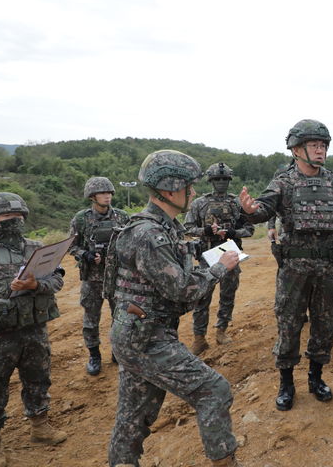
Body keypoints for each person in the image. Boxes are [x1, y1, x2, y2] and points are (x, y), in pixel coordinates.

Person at [107, 150, 242, 467]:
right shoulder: (150, 235)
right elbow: (185, 292)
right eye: (188, 186)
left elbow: (169, 271)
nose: (193, 192)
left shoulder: (157, 227)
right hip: (148, 339)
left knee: (133, 417)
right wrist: (219, 268)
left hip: (134, 334)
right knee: (214, 390)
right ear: (169, 190)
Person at [239, 119, 333, 411]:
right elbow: (262, 208)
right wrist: (250, 211)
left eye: (323, 145)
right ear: (296, 150)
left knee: (326, 321)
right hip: (294, 269)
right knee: (289, 322)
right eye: (314, 145)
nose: (320, 150)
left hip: (328, 268)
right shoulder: (283, 182)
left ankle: (316, 377)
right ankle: (286, 382)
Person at [0, 192, 67, 467]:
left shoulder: (37, 248)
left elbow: (56, 281)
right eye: (7, 217)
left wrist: (35, 286)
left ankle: (40, 426)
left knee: (38, 378)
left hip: (33, 328)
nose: (14, 221)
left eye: (19, 216)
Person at [184, 162, 254, 354]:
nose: (221, 183)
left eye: (224, 179)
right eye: (217, 179)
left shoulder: (236, 203)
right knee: (202, 298)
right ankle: (199, 338)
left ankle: (221, 331)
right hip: (207, 257)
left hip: (230, 254)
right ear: (211, 181)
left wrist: (232, 231)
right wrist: (206, 230)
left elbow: (249, 230)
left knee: (227, 296)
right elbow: (187, 228)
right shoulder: (199, 203)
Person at [68, 177, 129, 375]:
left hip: (116, 277)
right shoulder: (81, 219)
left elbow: (130, 243)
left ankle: (117, 351)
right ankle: (94, 355)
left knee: (119, 318)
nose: (107, 196)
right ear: (92, 196)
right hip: (92, 279)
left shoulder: (122, 217)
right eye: (103, 193)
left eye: (109, 192)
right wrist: (84, 254)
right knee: (90, 320)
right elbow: (71, 245)